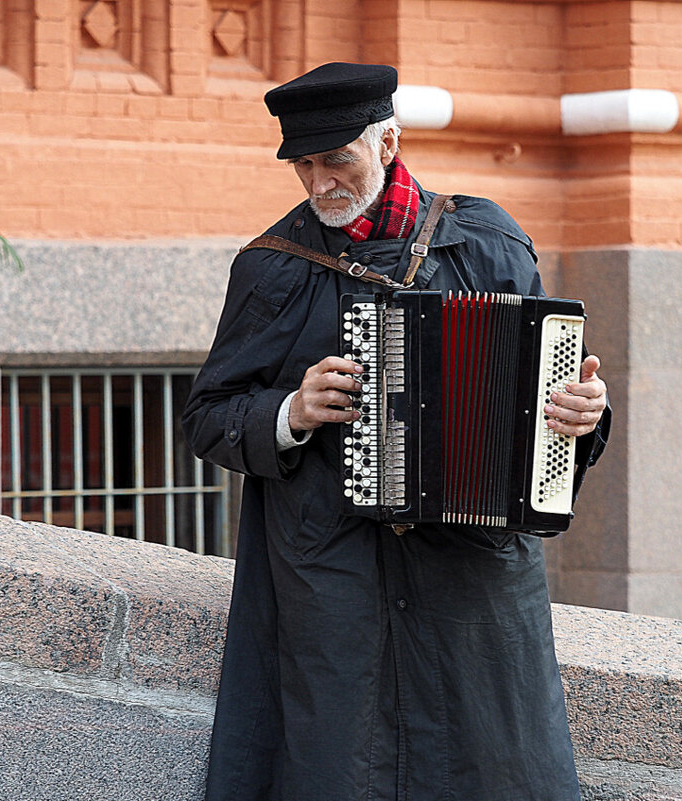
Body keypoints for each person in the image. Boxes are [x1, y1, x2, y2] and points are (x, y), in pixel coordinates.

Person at [183, 62, 611, 801]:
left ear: (388, 143)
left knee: (493, 772)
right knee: (341, 773)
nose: (320, 185)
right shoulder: (273, 269)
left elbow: (557, 405)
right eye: (304, 166)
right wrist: (290, 412)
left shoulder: (488, 244)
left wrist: (586, 413)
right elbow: (207, 416)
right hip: (332, 580)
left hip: (470, 581)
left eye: (336, 159)